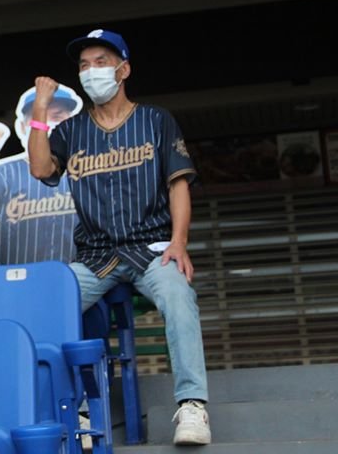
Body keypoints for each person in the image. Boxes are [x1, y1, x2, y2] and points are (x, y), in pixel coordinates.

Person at [27, 29, 212, 446]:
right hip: (95, 257)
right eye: (84, 65)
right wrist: (41, 107)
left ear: (124, 69)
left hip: (151, 249)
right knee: (45, 305)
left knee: (179, 296)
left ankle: (192, 405)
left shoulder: (155, 120)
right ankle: (69, 408)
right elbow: (41, 169)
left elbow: (178, 185)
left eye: (101, 62)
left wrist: (179, 242)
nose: (92, 71)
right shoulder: (72, 130)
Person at [0, 84, 83, 264]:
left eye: (58, 116)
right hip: (16, 281)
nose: (47, 124)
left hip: (78, 279)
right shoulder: (4, 172)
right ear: (22, 127)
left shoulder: (88, 168)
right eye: (39, 116)